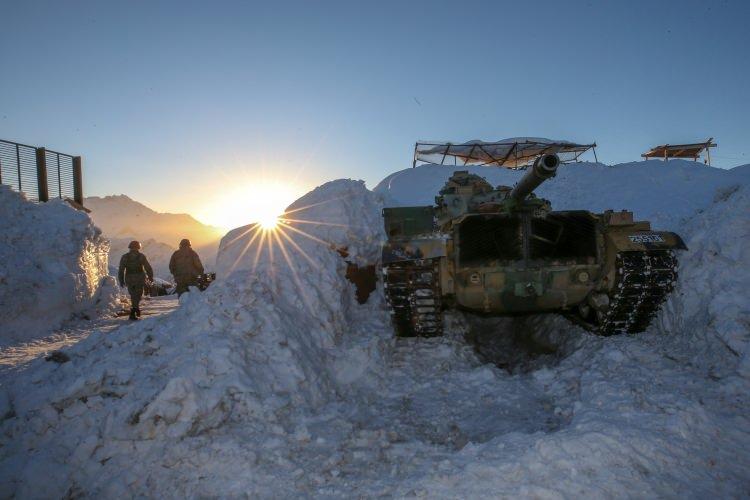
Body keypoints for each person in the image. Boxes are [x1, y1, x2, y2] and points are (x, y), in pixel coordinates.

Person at [118, 241, 154, 320]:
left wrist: (121, 280)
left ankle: (135, 309)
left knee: (133, 294)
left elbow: (121, 270)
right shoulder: (141, 256)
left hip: (129, 278)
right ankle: (134, 310)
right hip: (139, 278)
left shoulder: (125, 257)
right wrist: (150, 277)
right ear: (138, 247)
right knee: (138, 294)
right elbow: (148, 267)